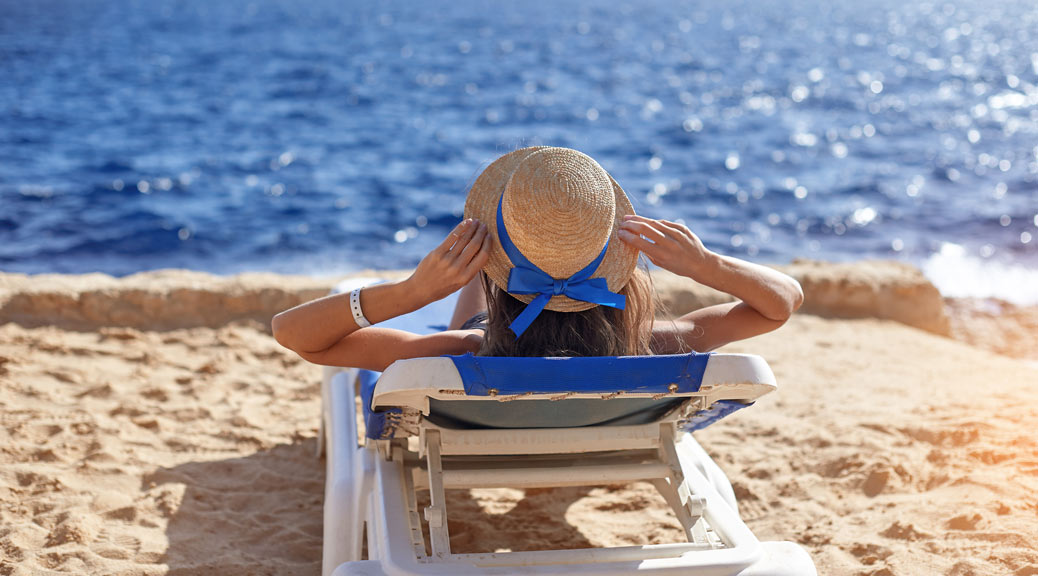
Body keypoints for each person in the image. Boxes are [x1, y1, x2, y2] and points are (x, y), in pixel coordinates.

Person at [272, 147, 803, 370]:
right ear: (616, 270)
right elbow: (782, 303)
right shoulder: (654, 345)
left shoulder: (460, 350)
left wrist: (411, 292)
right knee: (487, 268)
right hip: (607, 410)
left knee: (478, 269)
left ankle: (490, 258)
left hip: (502, 349)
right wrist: (706, 266)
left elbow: (295, 334)